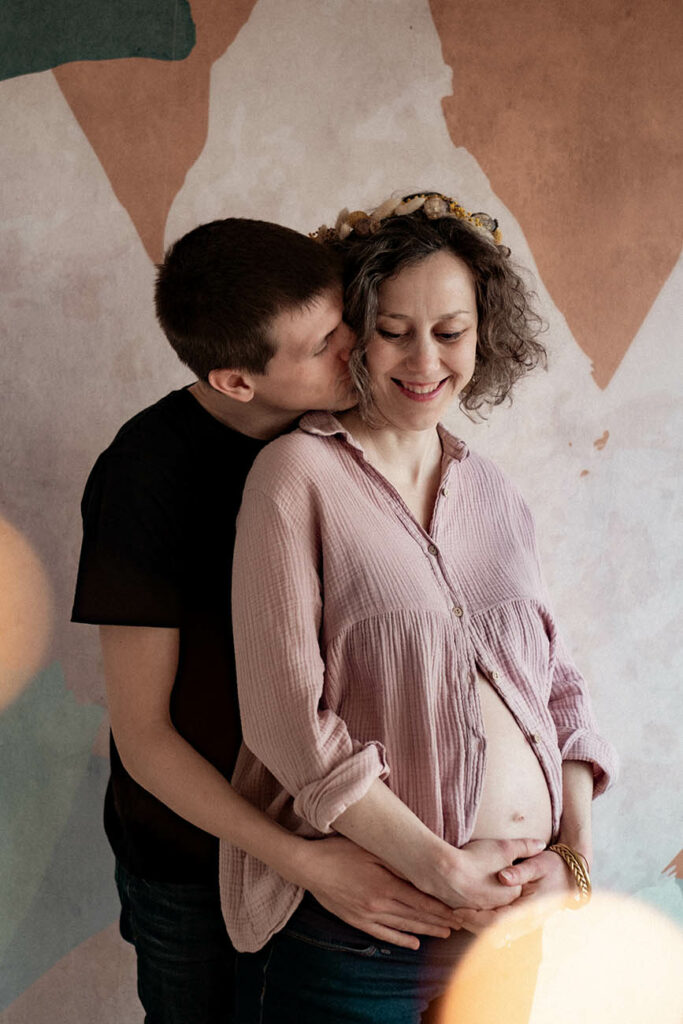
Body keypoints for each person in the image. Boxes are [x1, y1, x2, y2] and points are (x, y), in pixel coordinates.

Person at [221, 193, 618, 1023]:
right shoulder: (295, 476)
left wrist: (571, 862)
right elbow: (285, 721)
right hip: (371, 935)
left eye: (450, 331)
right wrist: (440, 869)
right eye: (393, 328)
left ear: (484, 333)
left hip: (514, 925)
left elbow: (559, 690)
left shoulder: (494, 491)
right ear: (353, 333)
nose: (424, 359)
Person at [71, 217, 476, 1024]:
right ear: (235, 382)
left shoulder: (337, 432)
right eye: (323, 342)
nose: (354, 348)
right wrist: (304, 862)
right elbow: (145, 738)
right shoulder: (146, 478)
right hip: (194, 858)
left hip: (336, 835)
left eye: (345, 322)